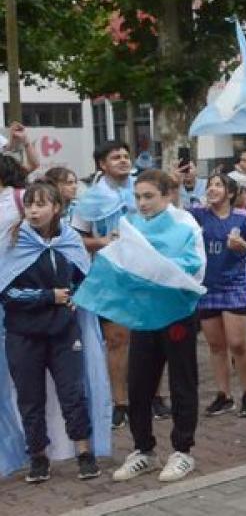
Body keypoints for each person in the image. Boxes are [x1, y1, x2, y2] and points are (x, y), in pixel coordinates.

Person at [0, 181, 101, 483]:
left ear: (57, 208)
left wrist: (75, 297)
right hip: (23, 333)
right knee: (30, 398)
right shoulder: (12, 241)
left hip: (63, 331)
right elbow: (6, 293)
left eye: (41, 204)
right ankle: (38, 457)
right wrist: (49, 297)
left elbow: (85, 279)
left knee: (73, 393)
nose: (33, 210)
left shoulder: (69, 239)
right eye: (29, 204)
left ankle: (85, 453)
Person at [109, 169, 205, 483]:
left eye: (149, 196)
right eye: (137, 197)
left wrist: (160, 271)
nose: (142, 203)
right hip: (145, 315)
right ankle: (143, 450)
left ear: (167, 195)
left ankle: (182, 451)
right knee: (139, 384)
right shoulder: (133, 225)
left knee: (182, 382)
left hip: (177, 313)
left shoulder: (185, 224)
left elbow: (196, 270)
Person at [72, 141, 135, 430]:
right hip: (109, 276)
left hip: (145, 274)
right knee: (117, 339)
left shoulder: (144, 188)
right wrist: (102, 241)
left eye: (125, 156)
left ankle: (155, 396)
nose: (123, 160)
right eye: (115, 157)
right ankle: (120, 401)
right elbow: (75, 240)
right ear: (102, 164)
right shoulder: (89, 200)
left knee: (149, 335)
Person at [189, 174, 246, 418]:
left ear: (230, 193)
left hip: (236, 285)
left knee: (238, 343)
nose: (212, 189)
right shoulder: (197, 215)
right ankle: (224, 395)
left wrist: (244, 247)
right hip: (207, 286)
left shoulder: (244, 219)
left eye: (218, 185)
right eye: (209, 185)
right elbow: (175, 213)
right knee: (216, 345)